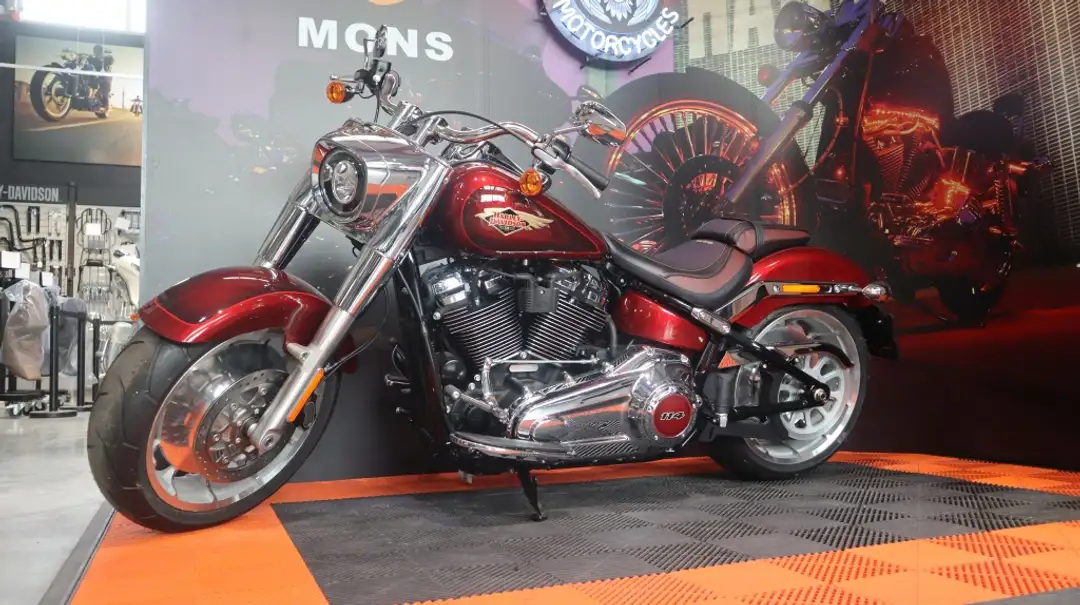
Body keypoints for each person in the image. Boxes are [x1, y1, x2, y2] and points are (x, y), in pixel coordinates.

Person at [87, 44, 114, 112]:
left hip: (105, 76)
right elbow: (88, 61)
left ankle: (105, 105)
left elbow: (111, 60)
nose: (97, 52)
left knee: (105, 86)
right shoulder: (93, 59)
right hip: (95, 76)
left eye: (98, 50)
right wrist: (87, 57)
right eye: (95, 50)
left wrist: (106, 58)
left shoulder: (106, 58)